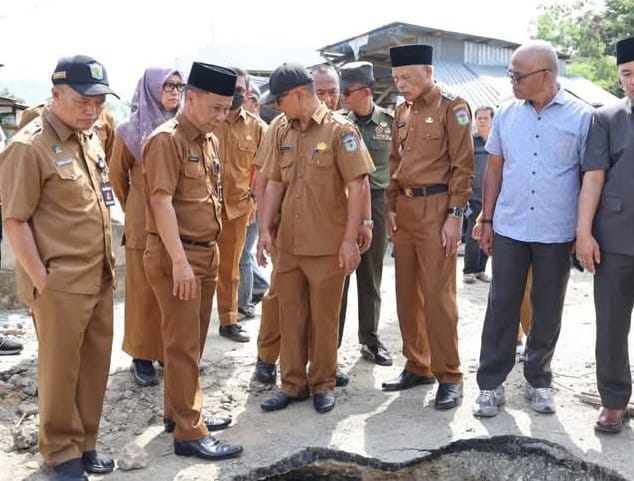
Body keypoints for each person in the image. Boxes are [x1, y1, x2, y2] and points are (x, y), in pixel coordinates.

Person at [0, 55, 118, 481]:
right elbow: (14, 220)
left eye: (100, 101)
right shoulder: (27, 147)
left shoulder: (89, 138)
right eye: (83, 100)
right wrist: (42, 281)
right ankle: (59, 453)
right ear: (55, 95)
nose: (92, 109)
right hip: (60, 282)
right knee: (59, 370)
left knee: (93, 366)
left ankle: (85, 443)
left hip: (98, 274)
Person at [472, 40, 592, 418]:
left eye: (516, 75)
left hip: (556, 230)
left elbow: (590, 176)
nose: (511, 80)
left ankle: (539, 380)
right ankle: (491, 384)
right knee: (501, 305)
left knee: (547, 308)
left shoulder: (582, 117)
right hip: (510, 226)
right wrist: (486, 218)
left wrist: (583, 229)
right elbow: (494, 170)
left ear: (544, 75)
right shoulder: (506, 114)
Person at [257, 62, 374, 414]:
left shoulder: (341, 131)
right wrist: (264, 228)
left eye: (279, 100)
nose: (276, 107)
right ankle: (292, 384)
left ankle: (323, 382)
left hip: (327, 244)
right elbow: (275, 181)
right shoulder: (282, 130)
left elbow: (358, 184)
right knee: (290, 314)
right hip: (289, 244)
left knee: (324, 318)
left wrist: (349, 240)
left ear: (297, 95)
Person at [142, 61, 242, 460]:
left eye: (226, 109)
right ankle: (189, 432)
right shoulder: (167, 140)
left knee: (193, 342)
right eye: (215, 108)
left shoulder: (208, 139)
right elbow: (160, 201)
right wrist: (180, 262)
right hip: (177, 256)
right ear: (192, 98)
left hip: (205, 252)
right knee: (182, 345)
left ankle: (179, 412)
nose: (222, 117)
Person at [382, 44, 474, 411]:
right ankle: (417, 364)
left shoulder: (453, 106)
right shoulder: (400, 112)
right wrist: (390, 206)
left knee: (438, 296)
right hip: (404, 208)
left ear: (428, 71)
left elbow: (463, 166)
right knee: (407, 293)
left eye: (407, 77)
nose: (401, 85)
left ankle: (449, 375)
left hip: (437, 208)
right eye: (396, 79)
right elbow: (394, 162)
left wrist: (456, 215)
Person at [110, 67, 183, 387]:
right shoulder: (129, 130)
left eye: (179, 86)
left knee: (173, 290)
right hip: (143, 223)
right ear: (151, 88)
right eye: (167, 85)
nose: (174, 92)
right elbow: (117, 177)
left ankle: (169, 351)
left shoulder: (183, 127)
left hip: (178, 220)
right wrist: (135, 208)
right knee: (142, 294)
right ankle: (141, 356)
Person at [576, 35, 634, 434]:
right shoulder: (607, 118)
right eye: (627, 74)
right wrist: (584, 233)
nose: (633, 81)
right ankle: (614, 401)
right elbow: (593, 178)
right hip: (615, 238)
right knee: (611, 324)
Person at [337, 61, 393, 366]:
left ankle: (370, 339)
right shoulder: (338, 124)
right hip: (344, 203)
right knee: (340, 274)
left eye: (348, 91)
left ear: (367, 91)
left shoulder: (390, 122)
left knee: (370, 276)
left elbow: (398, 165)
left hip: (379, 202)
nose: (343, 97)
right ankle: (330, 344)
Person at [215, 68, 267, 342]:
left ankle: (229, 320)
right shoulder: (210, 120)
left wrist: (256, 203)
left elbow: (265, 168)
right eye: (230, 88)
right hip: (203, 208)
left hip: (238, 208)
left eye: (239, 90)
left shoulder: (257, 127)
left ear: (247, 92)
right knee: (199, 268)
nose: (235, 95)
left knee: (231, 268)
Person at [237, 82, 270, 320]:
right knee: (239, 255)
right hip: (232, 204)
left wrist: (255, 202)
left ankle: (244, 304)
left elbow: (264, 172)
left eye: (244, 97)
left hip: (252, 202)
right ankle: (257, 288)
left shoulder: (261, 130)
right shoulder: (227, 126)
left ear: (255, 104)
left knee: (243, 255)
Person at [463, 106, 494, 284]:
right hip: (473, 196)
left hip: (491, 197)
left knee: (488, 233)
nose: (482, 121)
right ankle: (469, 270)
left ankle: (481, 269)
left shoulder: (496, 141)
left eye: (485, 118)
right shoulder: (470, 142)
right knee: (472, 233)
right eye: (479, 118)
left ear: (492, 120)